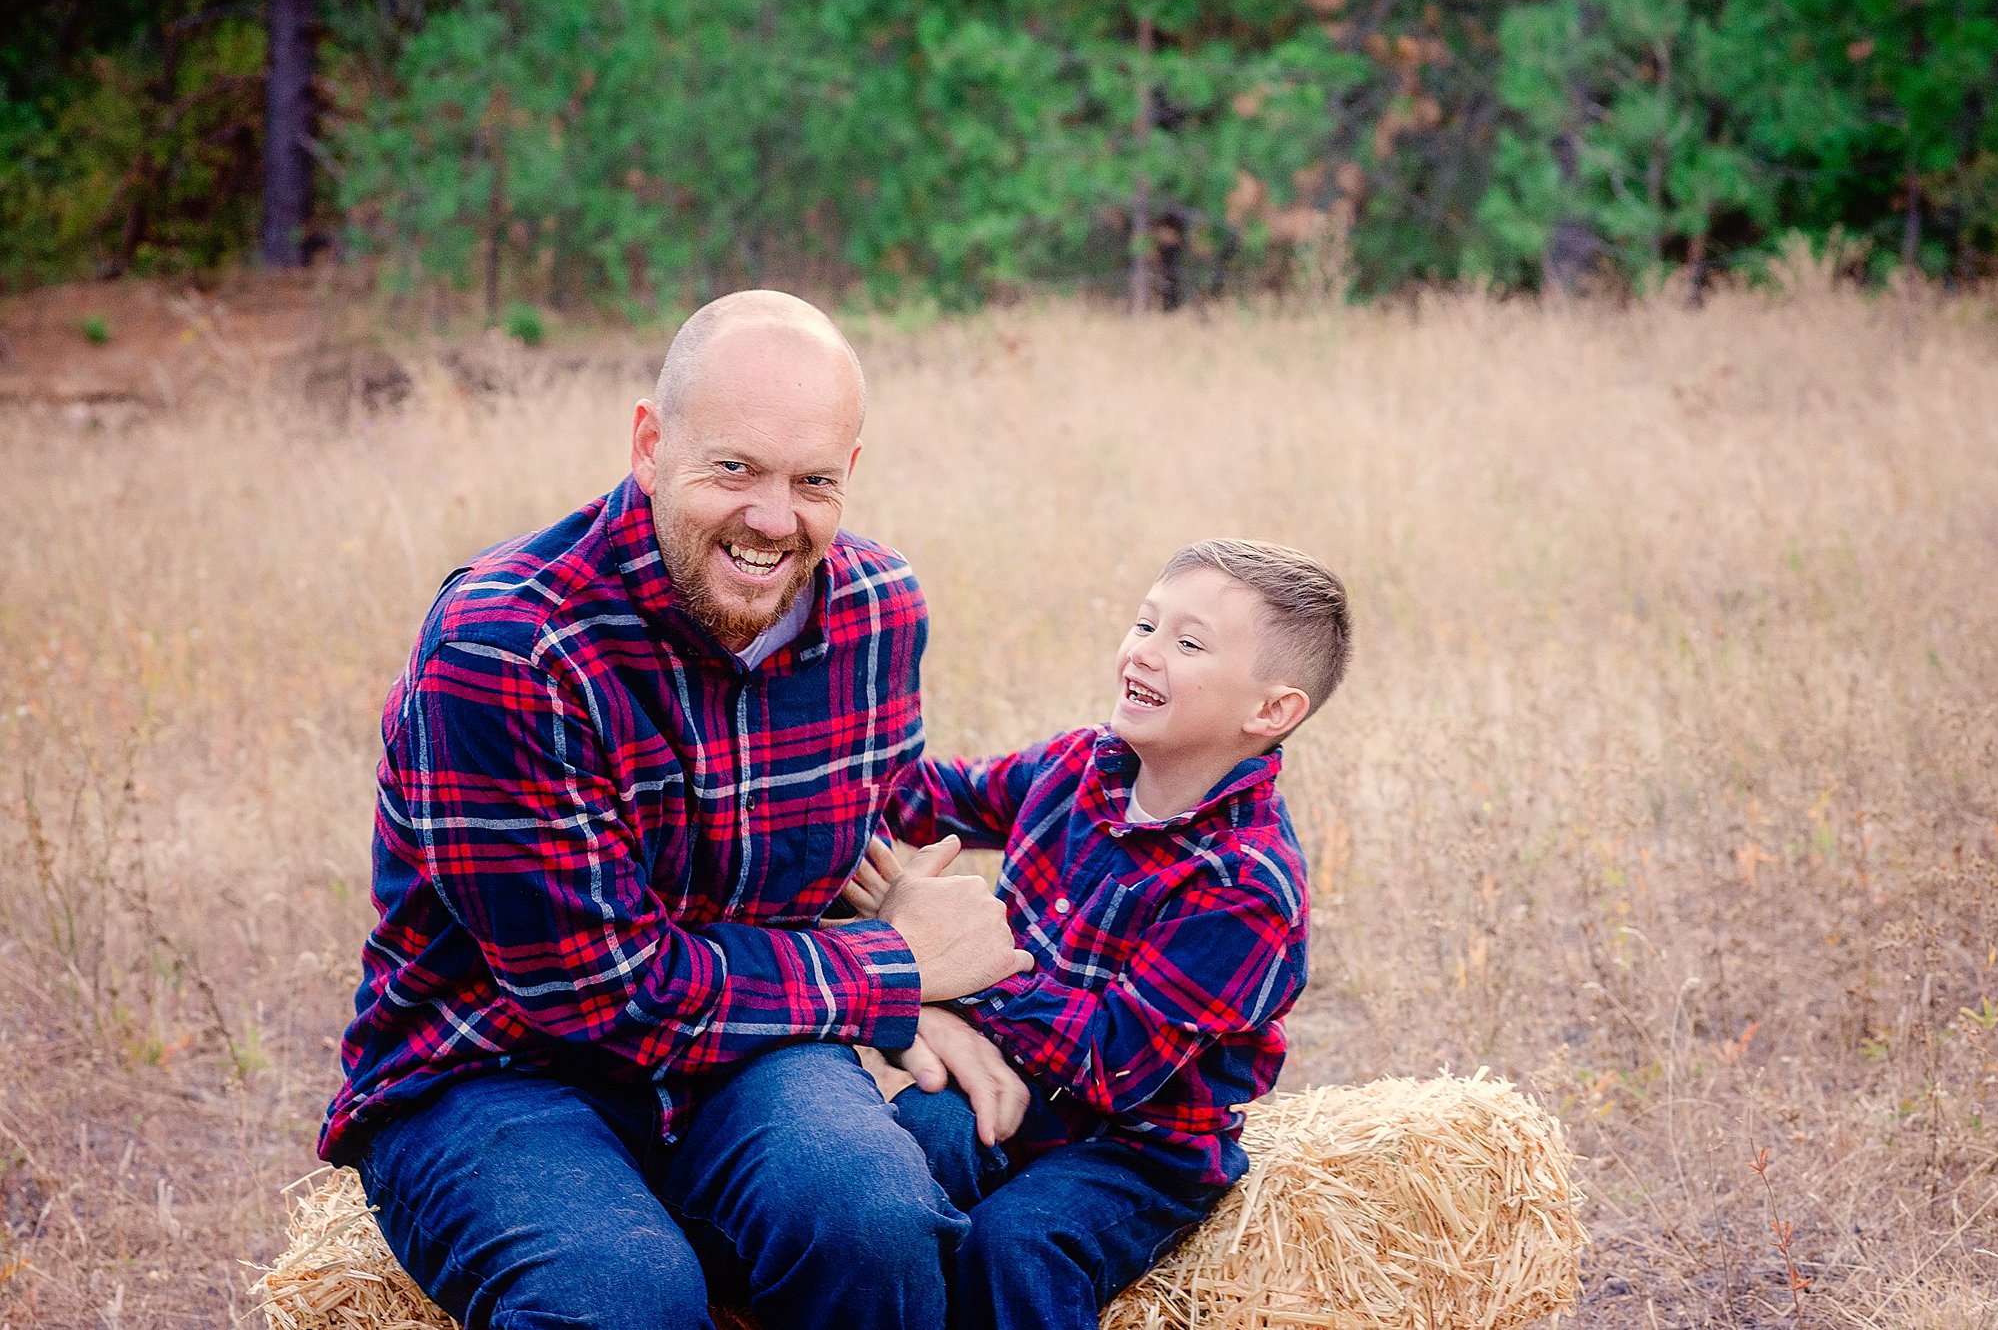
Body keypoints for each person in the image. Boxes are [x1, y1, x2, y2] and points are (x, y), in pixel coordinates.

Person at [317, 290, 1032, 1330]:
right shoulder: (509, 647)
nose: (773, 518)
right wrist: (893, 971)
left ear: (850, 476)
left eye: (812, 480)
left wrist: (1138, 785)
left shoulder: (880, 607)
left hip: (749, 1053)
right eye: (733, 468)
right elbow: (603, 992)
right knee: (623, 1297)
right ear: (650, 444)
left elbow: (872, 821)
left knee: (873, 1215)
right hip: (499, 1067)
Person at [847, 538, 1352, 1330]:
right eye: (1146, 624)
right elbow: (936, 794)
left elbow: (1112, 1063)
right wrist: (839, 782)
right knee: (912, 1151)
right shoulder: (1083, 764)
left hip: (1137, 1149)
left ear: (1271, 710)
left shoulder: (1245, 884)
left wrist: (972, 963)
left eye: (1187, 643)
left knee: (1019, 1241)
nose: (1145, 653)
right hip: (1015, 1079)